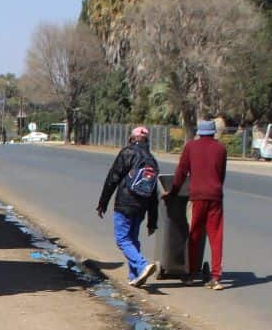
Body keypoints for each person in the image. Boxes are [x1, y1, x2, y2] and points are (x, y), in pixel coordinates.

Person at [167, 119, 229, 290]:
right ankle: (216, 277)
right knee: (216, 236)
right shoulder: (221, 149)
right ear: (213, 132)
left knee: (195, 234)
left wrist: (173, 192)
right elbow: (221, 174)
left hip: (197, 197)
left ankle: (191, 273)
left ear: (199, 132)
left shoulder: (190, 147)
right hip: (215, 196)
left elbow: (181, 172)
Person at [96, 126, 160, 287]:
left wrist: (102, 203)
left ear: (131, 139)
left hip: (124, 203)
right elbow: (153, 194)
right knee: (133, 239)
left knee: (122, 239)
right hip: (141, 205)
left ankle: (142, 265)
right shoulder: (152, 159)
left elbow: (113, 178)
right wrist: (152, 221)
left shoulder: (127, 152)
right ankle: (135, 275)